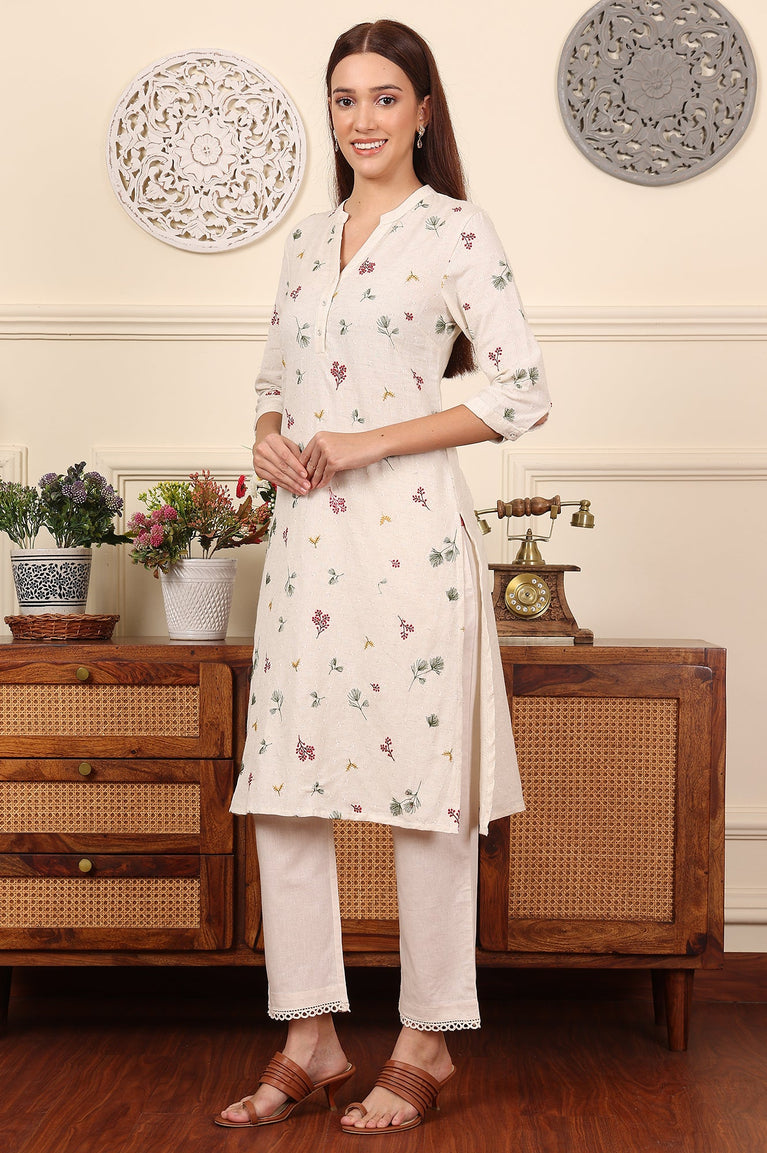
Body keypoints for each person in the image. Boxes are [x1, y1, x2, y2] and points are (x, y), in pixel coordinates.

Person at [218, 18, 550, 1134]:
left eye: (384, 97)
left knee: (424, 793)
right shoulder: (308, 242)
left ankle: (425, 1039)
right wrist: (270, 437)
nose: (361, 118)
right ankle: (309, 1034)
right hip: (306, 547)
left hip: (409, 547)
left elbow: (518, 390)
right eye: (344, 98)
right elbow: (274, 380)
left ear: (422, 111)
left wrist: (370, 440)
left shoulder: (455, 231)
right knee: (283, 793)